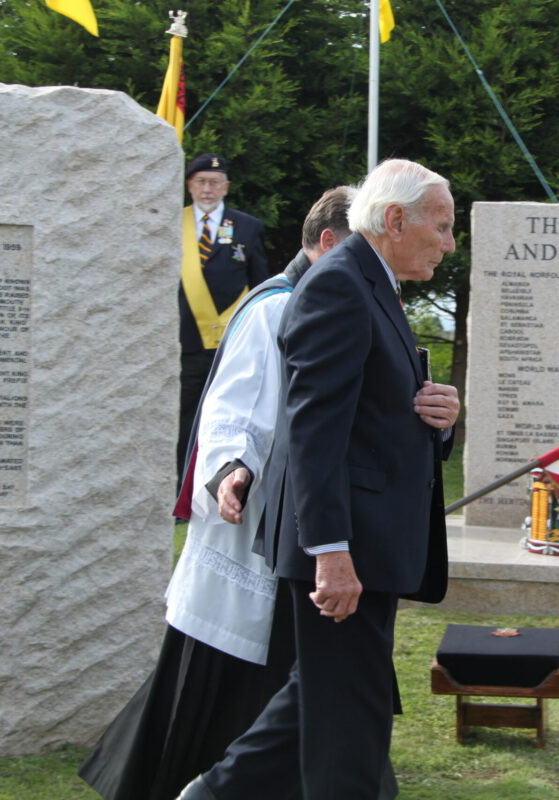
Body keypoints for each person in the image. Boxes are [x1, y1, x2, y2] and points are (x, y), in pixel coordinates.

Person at [177, 159, 460, 800]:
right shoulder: (340, 285)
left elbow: (371, 417)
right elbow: (315, 434)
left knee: (321, 701)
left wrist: (436, 417)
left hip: (370, 541)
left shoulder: (370, 282)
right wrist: (331, 554)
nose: (448, 243)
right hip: (347, 545)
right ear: (394, 221)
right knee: (347, 729)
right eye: (441, 228)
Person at [79, 188, 355, 800]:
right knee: (236, 668)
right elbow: (236, 405)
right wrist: (231, 468)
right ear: (331, 244)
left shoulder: (331, 302)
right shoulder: (275, 309)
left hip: (297, 517)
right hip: (254, 517)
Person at [176, 153, 270, 485]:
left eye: (214, 182)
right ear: (189, 186)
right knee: (185, 418)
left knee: (229, 415)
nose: (207, 189)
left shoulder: (247, 227)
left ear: (226, 187)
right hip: (184, 341)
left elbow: (261, 286)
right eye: (200, 181)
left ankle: (221, 480)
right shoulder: (173, 223)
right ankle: (182, 487)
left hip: (233, 342)